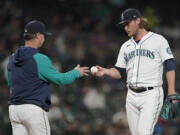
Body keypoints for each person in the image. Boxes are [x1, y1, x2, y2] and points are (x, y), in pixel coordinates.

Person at [91, 8, 177, 135]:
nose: (125, 28)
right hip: (131, 95)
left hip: (151, 95)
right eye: (123, 25)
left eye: (127, 23)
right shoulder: (125, 46)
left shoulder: (158, 40)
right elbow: (119, 72)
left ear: (137, 20)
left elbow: (169, 65)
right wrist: (105, 71)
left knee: (143, 132)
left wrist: (171, 90)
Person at [6, 20, 89, 135]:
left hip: (14, 110)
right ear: (38, 36)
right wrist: (76, 72)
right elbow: (60, 80)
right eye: (43, 35)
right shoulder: (39, 58)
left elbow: (10, 82)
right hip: (33, 110)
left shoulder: (12, 59)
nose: (44, 39)